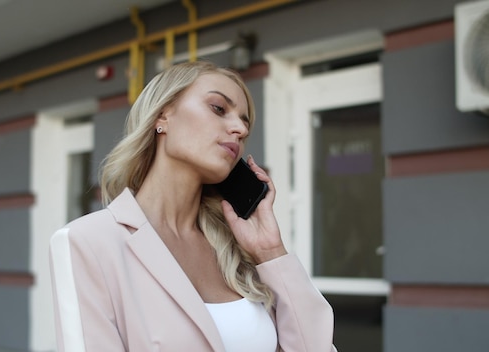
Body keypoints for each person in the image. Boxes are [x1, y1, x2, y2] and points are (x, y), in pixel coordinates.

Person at [49, 60, 336, 351]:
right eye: (218, 108)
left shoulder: (238, 251)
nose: (239, 128)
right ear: (163, 115)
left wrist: (270, 251)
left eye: (244, 121)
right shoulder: (88, 243)